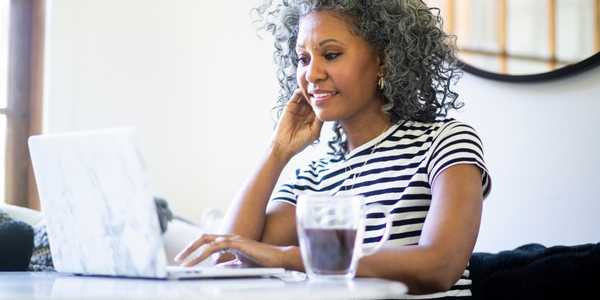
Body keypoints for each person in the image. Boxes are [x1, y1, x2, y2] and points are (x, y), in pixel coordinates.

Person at [175, 0, 491, 298]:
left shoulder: (444, 142)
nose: (311, 74)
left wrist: (288, 257)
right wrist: (277, 151)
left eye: (331, 54)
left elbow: (439, 266)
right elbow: (230, 260)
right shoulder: (312, 179)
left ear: (384, 58)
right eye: (303, 59)